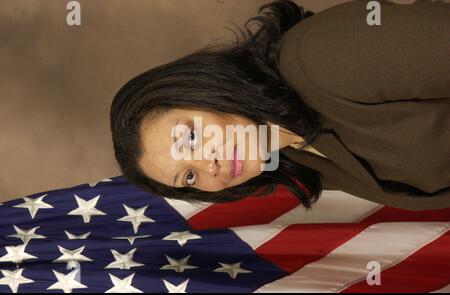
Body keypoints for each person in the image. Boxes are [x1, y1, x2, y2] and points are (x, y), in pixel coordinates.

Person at [110, 0, 450, 210]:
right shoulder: (299, 155)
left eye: (191, 139)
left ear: (201, 90)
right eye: (188, 176)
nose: (208, 166)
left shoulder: (319, 58)